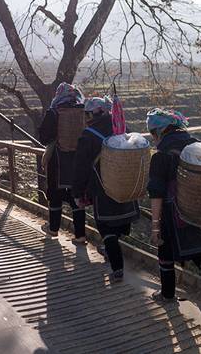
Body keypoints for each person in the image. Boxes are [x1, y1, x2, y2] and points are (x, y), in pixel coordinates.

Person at [146, 108, 201, 320]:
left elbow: (156, 193)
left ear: (160, 132)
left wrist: (155, 226)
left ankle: (167, 294)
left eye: (153, 134)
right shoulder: (197, 147)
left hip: (175, 217)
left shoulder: (161, 156)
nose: (153, 138)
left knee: (165, 253)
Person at [72, 96, 140, 282]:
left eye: (87, 113)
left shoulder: (88, 135)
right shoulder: (122, 128)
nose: (86, 117)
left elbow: (81, 167)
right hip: (125, 186)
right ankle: (110, 252)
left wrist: (78, 192)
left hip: (102, 187)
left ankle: (117, 266)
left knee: (107, 228)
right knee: (118, 225)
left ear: (95, 113)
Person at [39, 82, 87, 244]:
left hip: (58, 161)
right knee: (77, 196)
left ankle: (53, 229)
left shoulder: (54, 111)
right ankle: (80, 235)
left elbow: (44, 137)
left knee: (55, 195)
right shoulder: (84, 110)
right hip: (79, 161)